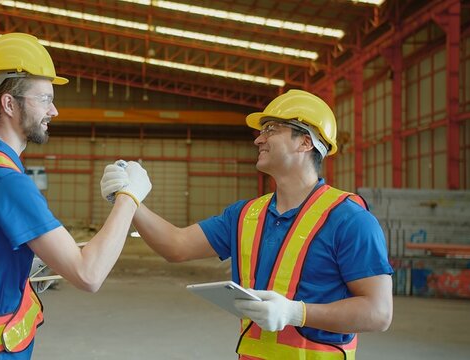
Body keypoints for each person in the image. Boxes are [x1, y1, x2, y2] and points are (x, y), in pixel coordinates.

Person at [101, 89, 393, 359]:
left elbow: (379, 312)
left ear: (305, 141)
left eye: (271, 129)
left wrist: (295, 312)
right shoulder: (246, 215)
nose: (258, 139)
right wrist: (131, 200)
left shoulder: (349, 219)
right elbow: (176, 246)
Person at [0, 33, 152, 360]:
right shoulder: (5, 181)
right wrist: (129, 196)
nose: (53, 110)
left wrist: (16, 272)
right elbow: (89, 274)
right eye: (44, 98)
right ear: (8, 103)